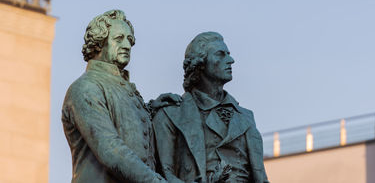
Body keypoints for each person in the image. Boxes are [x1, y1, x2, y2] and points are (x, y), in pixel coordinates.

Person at [62, 10, 179, 183]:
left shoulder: (123, 89)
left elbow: (126, 124)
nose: (127, 45)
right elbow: (111, 150)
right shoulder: (85, 87)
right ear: (98, 43)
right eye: (119, 39)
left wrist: (151, 110)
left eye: (130, 40)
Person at [153, 31, 270, 183]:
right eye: (221, 54)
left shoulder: (246, 117)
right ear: (200, 63)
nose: (231, 60)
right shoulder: (171, 113)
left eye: (228, 54)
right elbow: (162, 174)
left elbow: (260, 176)